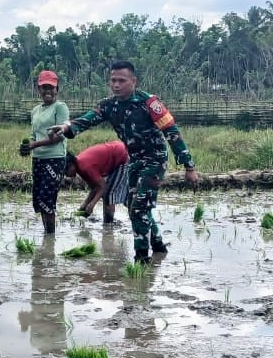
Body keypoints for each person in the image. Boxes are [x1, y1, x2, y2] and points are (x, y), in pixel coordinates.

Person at [50, 61, 199, 262]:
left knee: (139, 209)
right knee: (134, 206)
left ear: (133, 81)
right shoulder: (109, 105)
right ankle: (159, 247)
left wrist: (189, 166)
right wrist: (67, 128)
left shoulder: (149, 103)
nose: (116, 85)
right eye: (113, 80)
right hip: (133, 160)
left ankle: (141, 261)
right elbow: (87, 119)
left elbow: (171, 132)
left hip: (154, 160)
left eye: (122, 80)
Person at [18, 70, 68, 234]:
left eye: (50, 87)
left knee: (48, 198)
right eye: (43, 87)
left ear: (57, 89)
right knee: (39, 199)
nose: (47, 91)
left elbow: (60, 136)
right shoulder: (35, 110)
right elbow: (34, 134)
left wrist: (35, 144)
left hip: (54, 159)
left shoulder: (60, 107)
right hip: (38, 158)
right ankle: (47, 235)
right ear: (38, 89)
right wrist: (27, 145)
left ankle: (50, 236)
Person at [65, 140, 130, 224]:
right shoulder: (80, 167)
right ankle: (135, 212)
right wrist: (84, 205)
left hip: (121, 156)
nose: (66, 175)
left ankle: (108, 226)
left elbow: (103, 186)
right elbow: (95, 188)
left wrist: (92, 204)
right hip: (116, 153)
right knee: (109, 195)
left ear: (71, 165)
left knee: (109, 194)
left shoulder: (85, 167)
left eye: (66, 171)